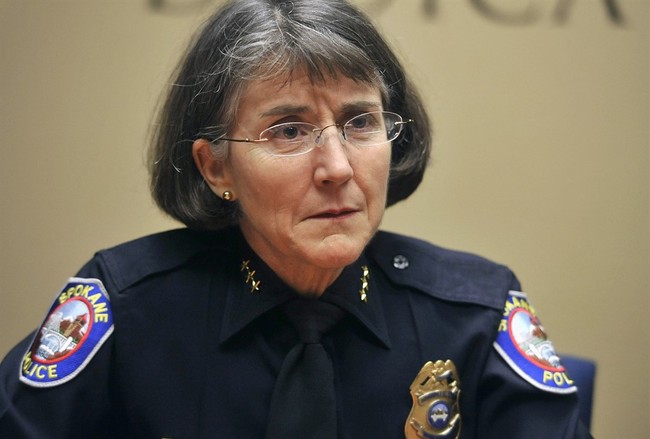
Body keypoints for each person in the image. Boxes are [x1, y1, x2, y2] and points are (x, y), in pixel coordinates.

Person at [0, 0, 592, 438]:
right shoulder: (124, 310)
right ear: (215, 167)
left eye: (361, 122)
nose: (337, 167)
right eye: (288, 130)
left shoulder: (476, 314)